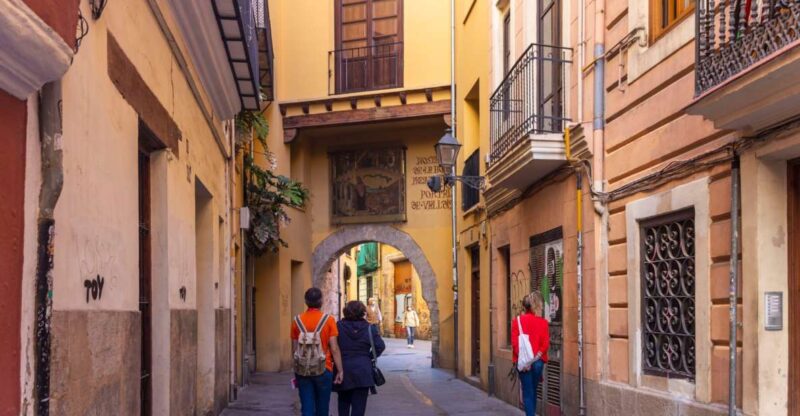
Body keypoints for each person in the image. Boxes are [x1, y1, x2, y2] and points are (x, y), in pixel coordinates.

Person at [291, 288, 344, 416]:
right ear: (321, 301)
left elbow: (294, 348)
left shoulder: (297, 321)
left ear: (306, 301)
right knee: (322, 407)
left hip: (303, 369)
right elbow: (334, 348)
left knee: (307, 406)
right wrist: (340, 370)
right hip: (324, 367)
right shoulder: (329, 320)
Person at [334, 301, 386, 416]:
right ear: (363, 312)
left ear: (345, 312)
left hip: (343, 368)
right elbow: (380, 346)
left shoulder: (338, 326)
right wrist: (369, 357)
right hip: (363, 370)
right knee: (359, 407)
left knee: (343, 404)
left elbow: (332, 347)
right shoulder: (369, 328)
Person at [511, 291, 550, 416]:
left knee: (527, 392)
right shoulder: (543, 323)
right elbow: (545, 344)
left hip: (523, 363)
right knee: (533, 391)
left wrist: (525, 361)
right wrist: (536, 357)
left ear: (524, 306)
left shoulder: (517, 321)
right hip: (538, 362)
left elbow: (515, 344)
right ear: (536, 306)